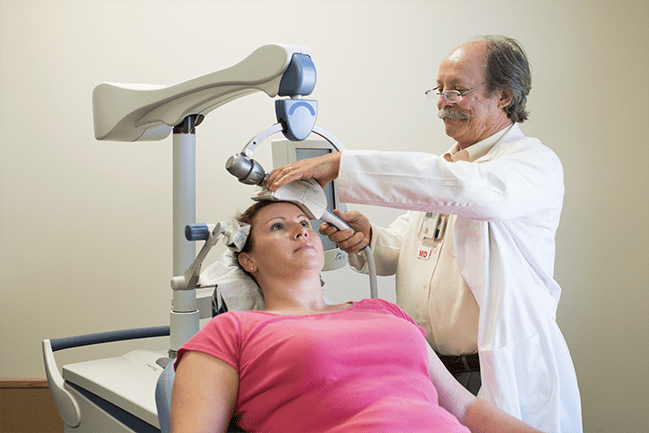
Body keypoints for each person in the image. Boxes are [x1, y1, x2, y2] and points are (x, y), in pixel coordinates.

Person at [265, 36, 582, 432]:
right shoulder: (445, 171)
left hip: (496, 373)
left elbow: (475, 193)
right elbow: (405, 250)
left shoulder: (531, 164)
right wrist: (369, 237)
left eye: (457, 90)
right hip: (431, 372)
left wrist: (344, 166)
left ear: (503, 96)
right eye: (440, 89)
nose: (443, 101)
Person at [171, 199, 543, 433]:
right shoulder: (233, 330)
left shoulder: (383, 312)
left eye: (304, 221)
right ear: (248, 259)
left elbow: (465, 408)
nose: (301, 229)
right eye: (277, 226)